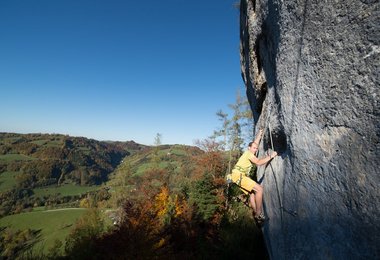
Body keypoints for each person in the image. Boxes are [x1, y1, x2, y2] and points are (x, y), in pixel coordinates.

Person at [226, 129, 277, 224]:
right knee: (259, 189)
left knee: (252, 193)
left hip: (236, 176)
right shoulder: (249, 154)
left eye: (256, 148)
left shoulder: (248, 152)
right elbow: (258, 162)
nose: (255, 149)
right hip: (239, 176)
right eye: (253, 148)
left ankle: (255, 213)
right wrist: (271, 156)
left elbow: (255, 143)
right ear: (249, 148)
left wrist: (259, 134)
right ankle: (258, 214)